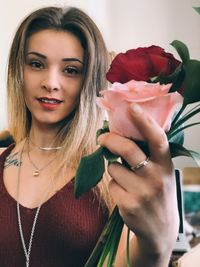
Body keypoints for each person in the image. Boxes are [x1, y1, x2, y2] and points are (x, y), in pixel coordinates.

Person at [0, 6, 179, 267]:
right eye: (36, 64)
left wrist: (157, 247)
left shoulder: (113, 176)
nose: (51, 82)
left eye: (71, 70)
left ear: (89, 80)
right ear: (19, 71)